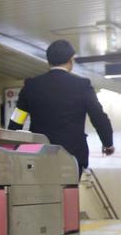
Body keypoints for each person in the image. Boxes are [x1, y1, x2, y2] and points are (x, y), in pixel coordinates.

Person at [6, 39, 114, 177]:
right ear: (71, 60)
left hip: (39, 155)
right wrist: (108, 143)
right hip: (72, 156)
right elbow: (98, 117)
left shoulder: (31, 86)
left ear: (48, 61)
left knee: (42, 195)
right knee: (67, 195)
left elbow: (17, 118)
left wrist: (11, 145)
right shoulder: (82, 86)